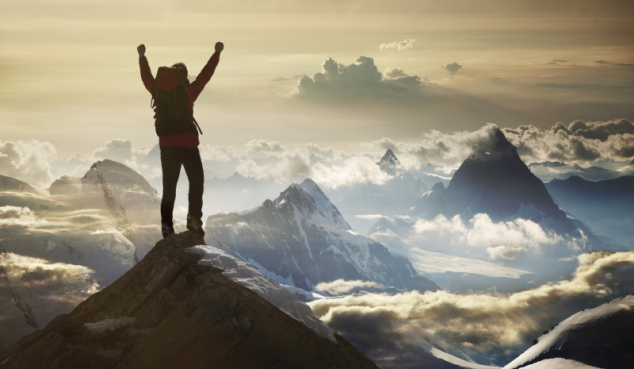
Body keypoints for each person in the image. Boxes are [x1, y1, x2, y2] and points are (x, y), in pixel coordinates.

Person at [137, 42, 224, 238]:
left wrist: (142, 56)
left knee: (169, 187)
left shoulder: (158, 91)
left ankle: (167, 225)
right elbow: (205, 75)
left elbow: (146, 77)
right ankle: (193, 220)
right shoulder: (188, 93)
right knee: (196, 180)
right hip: (188, 145)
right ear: (183, 77)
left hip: (167, 146)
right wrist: (217, 53)